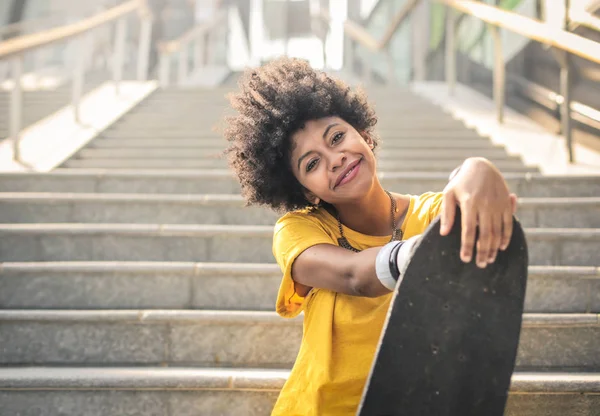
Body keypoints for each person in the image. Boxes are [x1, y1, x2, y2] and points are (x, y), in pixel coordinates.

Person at [223, 57, 518, 416]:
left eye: (337, 137)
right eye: (311, 164)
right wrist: (418, 254)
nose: (335, 158)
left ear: (363, 134)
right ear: (305, 192)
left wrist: (477, 169)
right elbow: (353, 275)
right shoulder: (300, 230)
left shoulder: (428, 215)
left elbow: (465, 193)